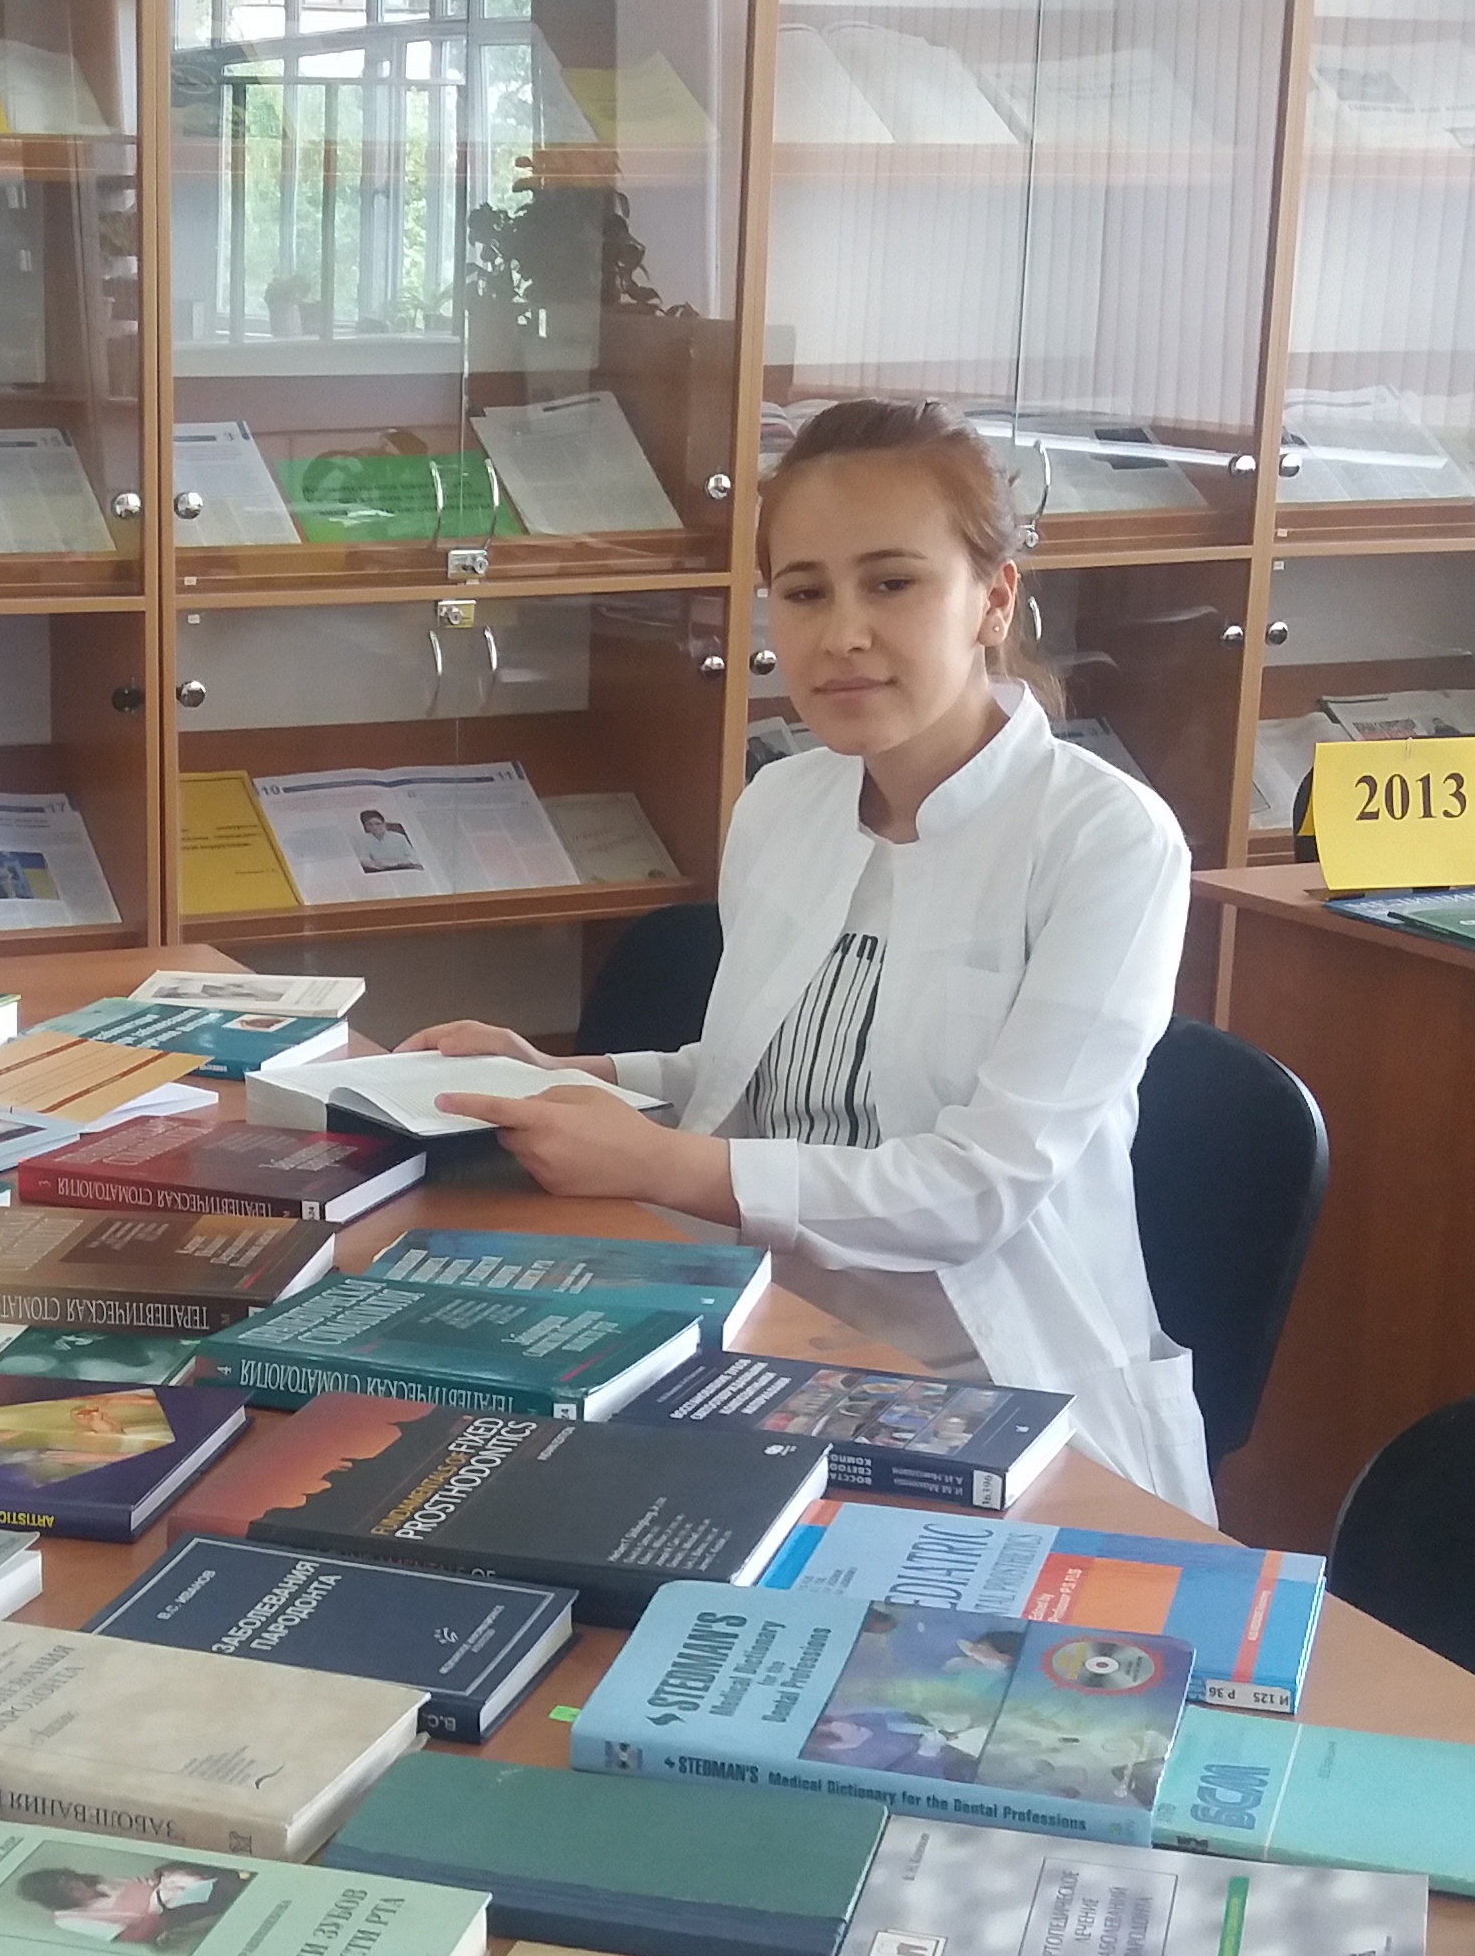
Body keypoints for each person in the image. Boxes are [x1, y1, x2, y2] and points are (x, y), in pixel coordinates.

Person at [402, 397, 1213, 1516]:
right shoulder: (784, 801)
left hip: (991, 1390)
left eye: (892, 583)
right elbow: (768, 1073)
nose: (842, 635)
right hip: (759, 1331)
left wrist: (657, 1163)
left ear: (993, 597)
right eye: (804, 592)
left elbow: (978, 1190)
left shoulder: (1106, 839)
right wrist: (571, 1078)